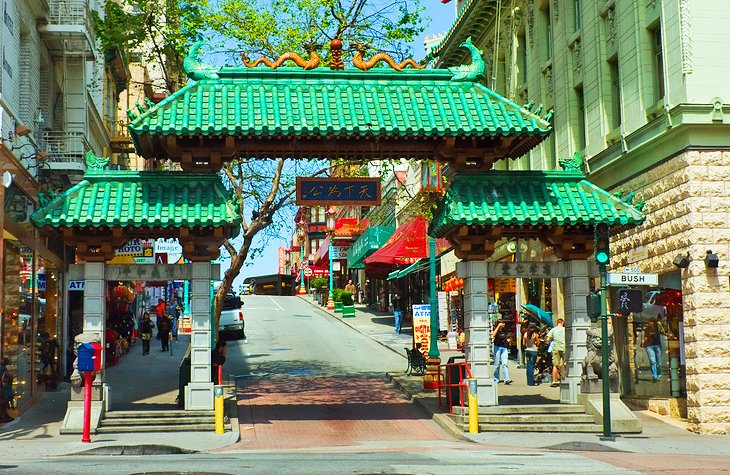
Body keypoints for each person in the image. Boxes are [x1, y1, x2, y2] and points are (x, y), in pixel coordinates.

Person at [546, 318, 566, 387]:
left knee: (555, 365)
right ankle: (564, 379)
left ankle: (554, 381)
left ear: (557, 323)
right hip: (564, 348)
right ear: (562, 323)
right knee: (564, 364)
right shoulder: (564, 329)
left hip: (556, 348)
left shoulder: (553, 330)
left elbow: (548, 339)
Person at [492, 320, 512, 384]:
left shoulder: (505, 331)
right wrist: (498, 327)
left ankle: (506, 379)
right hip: (497, 347)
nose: (504, 324)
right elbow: (493, 335)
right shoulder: (496, 330)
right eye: (503, 323)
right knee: (497, 364)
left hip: (504, 348)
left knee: (504, 364)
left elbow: (507, 337)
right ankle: (496, 378)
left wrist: (508, 340)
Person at [0, 358, 14, 422]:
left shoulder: (2, 368)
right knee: (3, 404)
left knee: (2, 404)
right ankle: (4, 417)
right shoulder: (4, 369)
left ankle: (3, 417)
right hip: (3, 389)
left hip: (2, 388)